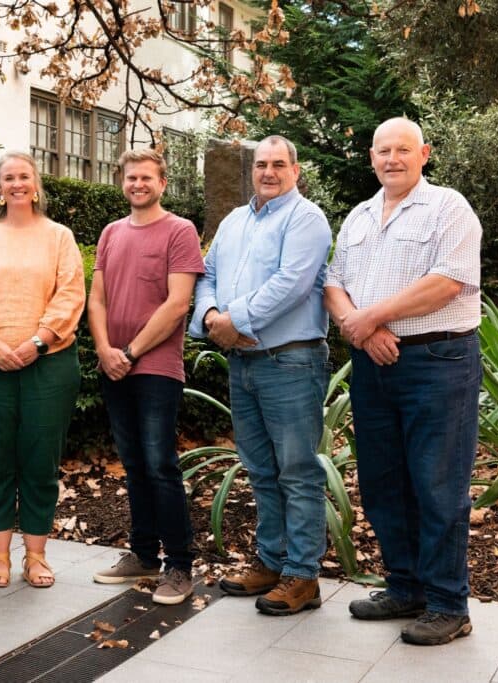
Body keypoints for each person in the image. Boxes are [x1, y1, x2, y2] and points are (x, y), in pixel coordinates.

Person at [324, 117, 482, 645]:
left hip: (437, 361)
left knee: (438, 485)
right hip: (375, 363)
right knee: (384, 482)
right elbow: (334, 283)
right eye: (383, 151)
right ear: (371, 157)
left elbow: (448, 281)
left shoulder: (448, 208)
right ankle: (405, 586)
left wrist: (371, 319)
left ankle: (447, 603)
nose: (393, 159)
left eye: (403, 150)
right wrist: (362, 329)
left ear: (424, 153)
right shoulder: (360, 216)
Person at [189, 136, 332, 615]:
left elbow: (292, 284)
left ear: (295, 169)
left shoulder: (306, 218)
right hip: (244, 364)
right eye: (261, 165)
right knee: (261, 470)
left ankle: (302, 575)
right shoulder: (234, 221)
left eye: (278, 164)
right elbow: (205, 274)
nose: (268, 172)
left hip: (289, 362)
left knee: (297, 471)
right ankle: (271, 562)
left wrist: (235, 321)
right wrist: (211, 318)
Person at [0, 151, 85, 589]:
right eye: (8, 177)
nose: (16, 184)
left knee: (39, 461)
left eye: (24, 176)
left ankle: (35, 555)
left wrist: (36, 342)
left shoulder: (59, 237)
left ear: (36, 185)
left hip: (48, 364)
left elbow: (70, 295)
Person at [89, 149, 205, 605]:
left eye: (146, 178)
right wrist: (104, 350)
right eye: (131, 177)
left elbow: (178, 304)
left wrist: (130, 352)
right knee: (134, 465)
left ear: (162, 182)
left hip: (155, 367)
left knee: (160, 466)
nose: (138, 184)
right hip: (112, 364)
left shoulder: (180, 231)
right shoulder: (111, 232)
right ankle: (142, 555)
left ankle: (179, 565)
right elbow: (96, 299)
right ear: (122, 182)